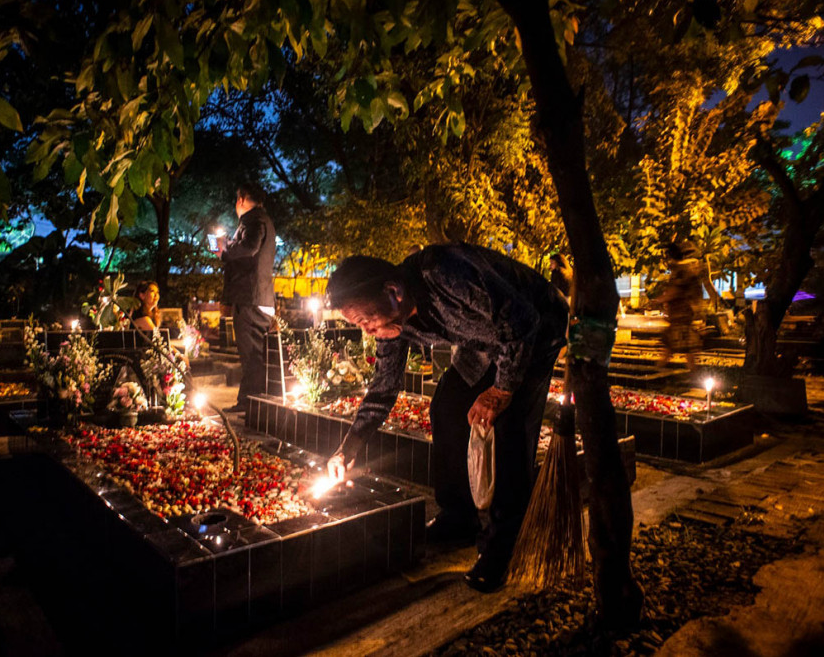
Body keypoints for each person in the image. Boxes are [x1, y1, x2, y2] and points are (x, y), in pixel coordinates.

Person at [325, 244, 568, 593]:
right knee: (447, 408)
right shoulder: (392, 322)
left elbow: (521, 320)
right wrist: (349, 447)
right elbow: (384, 386)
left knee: (508, 427)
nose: (367, 331)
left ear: (392, 291)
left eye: (365, 320)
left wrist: (500, 391)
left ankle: (504, 544)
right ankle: (459, 515)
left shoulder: (443, 273)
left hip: (535, 329)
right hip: (482, 343)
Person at [214, 184, 276, 413]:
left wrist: (224, 250)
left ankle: (250, 403)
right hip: (258, 296)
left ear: (240, 199)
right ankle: (251, 401)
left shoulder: (254, 220)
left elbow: (249, 247)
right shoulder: (263, 219)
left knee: (251, 355)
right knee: (254, 354)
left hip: (251, 298)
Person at [655, 241, 703, 372]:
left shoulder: (681, 271)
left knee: (676, 348)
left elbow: (675, 291)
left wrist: (659, 300)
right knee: (682, 350)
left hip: (680, 316)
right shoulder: (686, 270)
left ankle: (657, 373)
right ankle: (658, 373)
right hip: (682, 316)